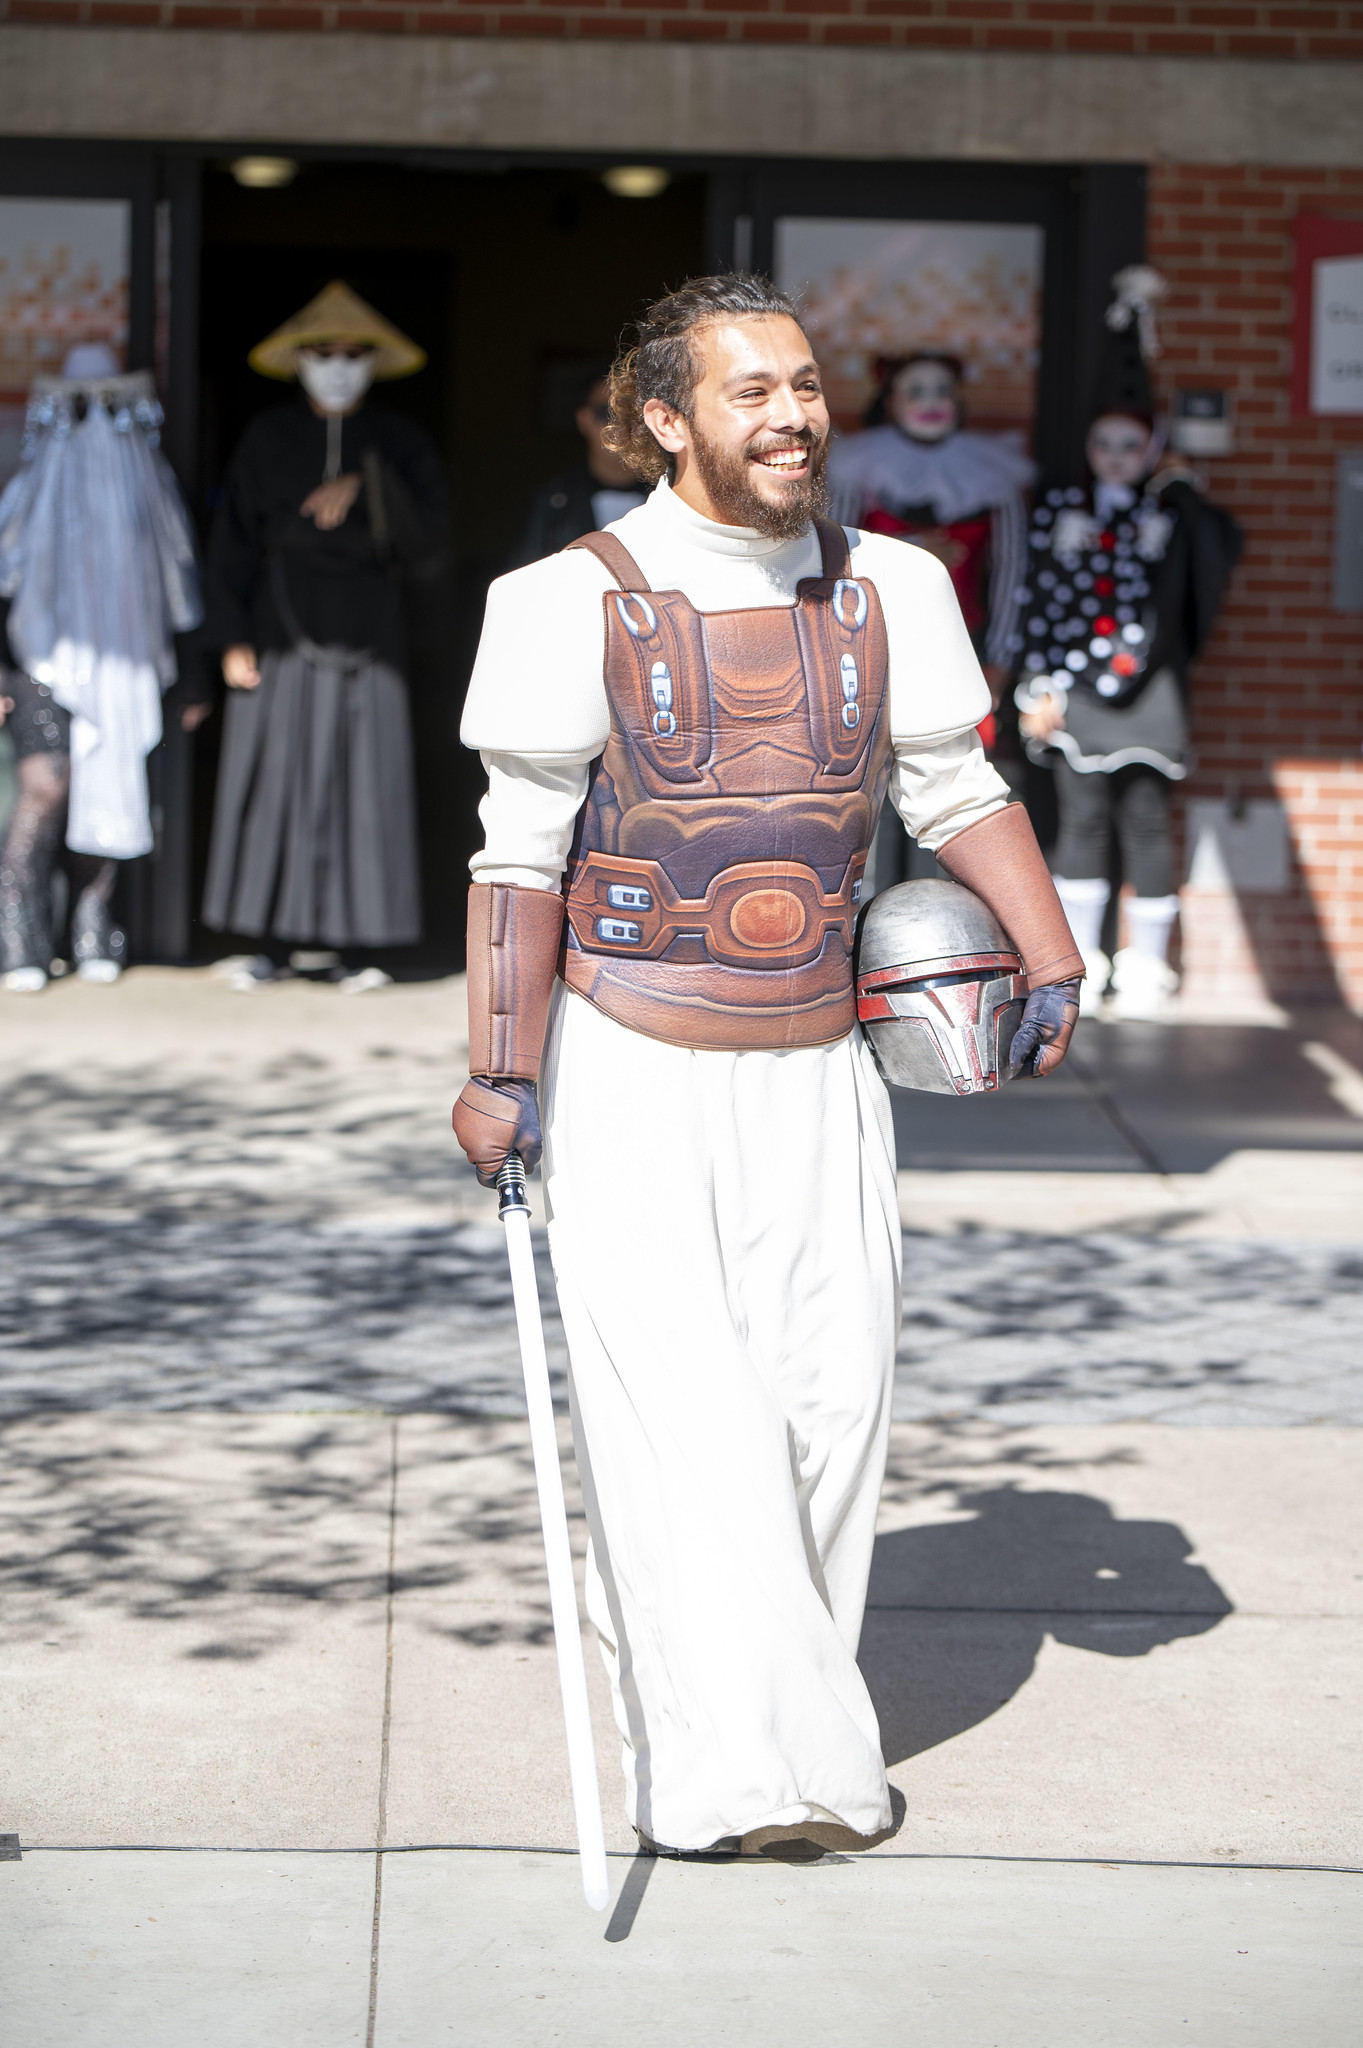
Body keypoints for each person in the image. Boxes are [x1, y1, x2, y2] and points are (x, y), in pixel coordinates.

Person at [451, 274, 1083, 1859]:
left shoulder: (895, 588)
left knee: (825, 1407)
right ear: (665, 419)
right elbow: (516, 862)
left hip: (820, 1060)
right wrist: (496, 1071)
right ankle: (728, 1775)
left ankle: (785, 1728)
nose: (792, 413)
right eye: (752, 391)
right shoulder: (562, 597)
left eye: (803, 383)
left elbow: (950, 784)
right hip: (630, 1059)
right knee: (681, 1428)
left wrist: (1050, 952)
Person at [201, 281, 448, 992]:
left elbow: (428, 541)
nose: (338, 365)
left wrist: (365, 486)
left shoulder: (399, 444)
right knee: (273, 781)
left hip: (371, 628)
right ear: (299, 360)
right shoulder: (268, 437)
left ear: (373, 362)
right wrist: (231, 638)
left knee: (361, 782)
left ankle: (355, 947)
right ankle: (268, 945)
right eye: (323, 352)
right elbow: (233, 542)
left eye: (352, 353)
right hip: (280, 624)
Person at [1014, 268, 1242, 1020]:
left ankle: (1146, 965)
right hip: (1074, 685)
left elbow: (1214, 563)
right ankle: (1077, 958)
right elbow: (1036, 599)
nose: (1115, 454)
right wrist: (1036, 685)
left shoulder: (1169, 516)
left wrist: (1173, 492)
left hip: (1149, 691)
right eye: (1104, 442)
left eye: (1130, 443)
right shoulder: (1057, 513)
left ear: (1150, 445)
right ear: (1089, 444)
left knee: (1144, 819)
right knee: (1078, 818)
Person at [0, 342, 203, 994]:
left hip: (125, 665)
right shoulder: (30, 490)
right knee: (46, 785)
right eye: (78, 407)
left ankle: (94, 922)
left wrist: (193, 676)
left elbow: (178, 584)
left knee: (111, 782)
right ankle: (18, 930)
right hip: (38, 662)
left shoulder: (148, 484)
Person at [508, 364, 646, 568]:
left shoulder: (672, 495)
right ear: (584, 419)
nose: (619, 425)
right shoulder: (555, 501)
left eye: (629, 413)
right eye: (606, 413)